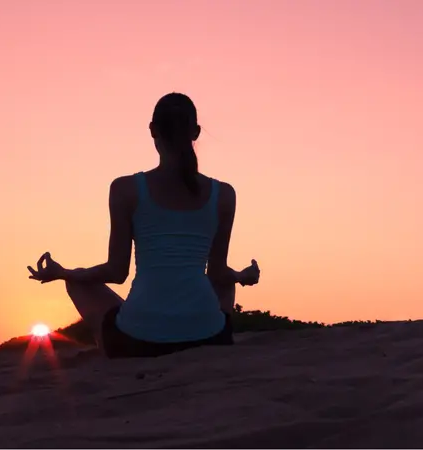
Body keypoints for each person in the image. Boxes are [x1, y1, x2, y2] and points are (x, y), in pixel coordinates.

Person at [27, 92, 260, 358]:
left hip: (138, 342)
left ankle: (111, 341)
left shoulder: (126, 189)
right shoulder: (224, 194)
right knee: (226, 282)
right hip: (209, 338)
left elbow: (116, 272)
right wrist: (242, 277)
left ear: (153, 131)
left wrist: (64, 272)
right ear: (195, 132)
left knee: (77, 280)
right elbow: (218, 274)